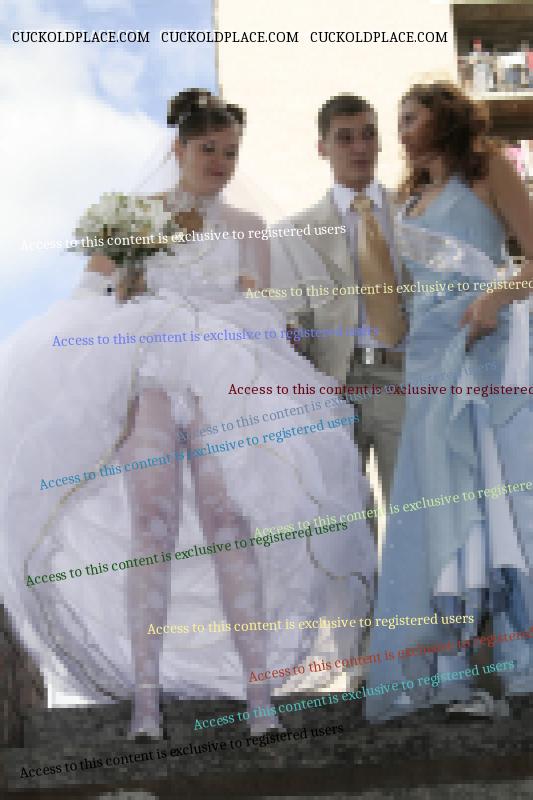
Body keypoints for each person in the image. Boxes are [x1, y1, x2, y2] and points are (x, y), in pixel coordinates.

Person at [0, 89, 375, 741]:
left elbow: (258, 309)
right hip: (148, 375)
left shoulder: (248, 228)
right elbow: (89, 296)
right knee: (153, 524)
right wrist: (125, 292)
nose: (221, 163)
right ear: (178, 148)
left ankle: (258, 692)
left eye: (231, 152)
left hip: (220, 379)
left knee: (231, 520)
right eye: (209, 149)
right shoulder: (132, 216)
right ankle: (145, 699)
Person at [365, 81, 533, 722]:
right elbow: (391, 314)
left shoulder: (489, 169)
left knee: (502, 497)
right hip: (431, 359)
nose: (401, 128)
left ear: (445, 115)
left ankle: (518, 662)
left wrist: (494, 298)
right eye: (398, 118)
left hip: (491, 349)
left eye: (412, 115)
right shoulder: (401, 202)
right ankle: (450, 671)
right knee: (441, 508)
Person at [271, 93, 408, 517]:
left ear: (380, 141)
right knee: (346, 525)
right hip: (336, 386)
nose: (359, 147)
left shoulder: (414, 214)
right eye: (345, 138)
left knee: (413, 517)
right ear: (322, 147)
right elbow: (292, 318)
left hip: (407, 381)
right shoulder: (293, 233)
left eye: (368, 135)